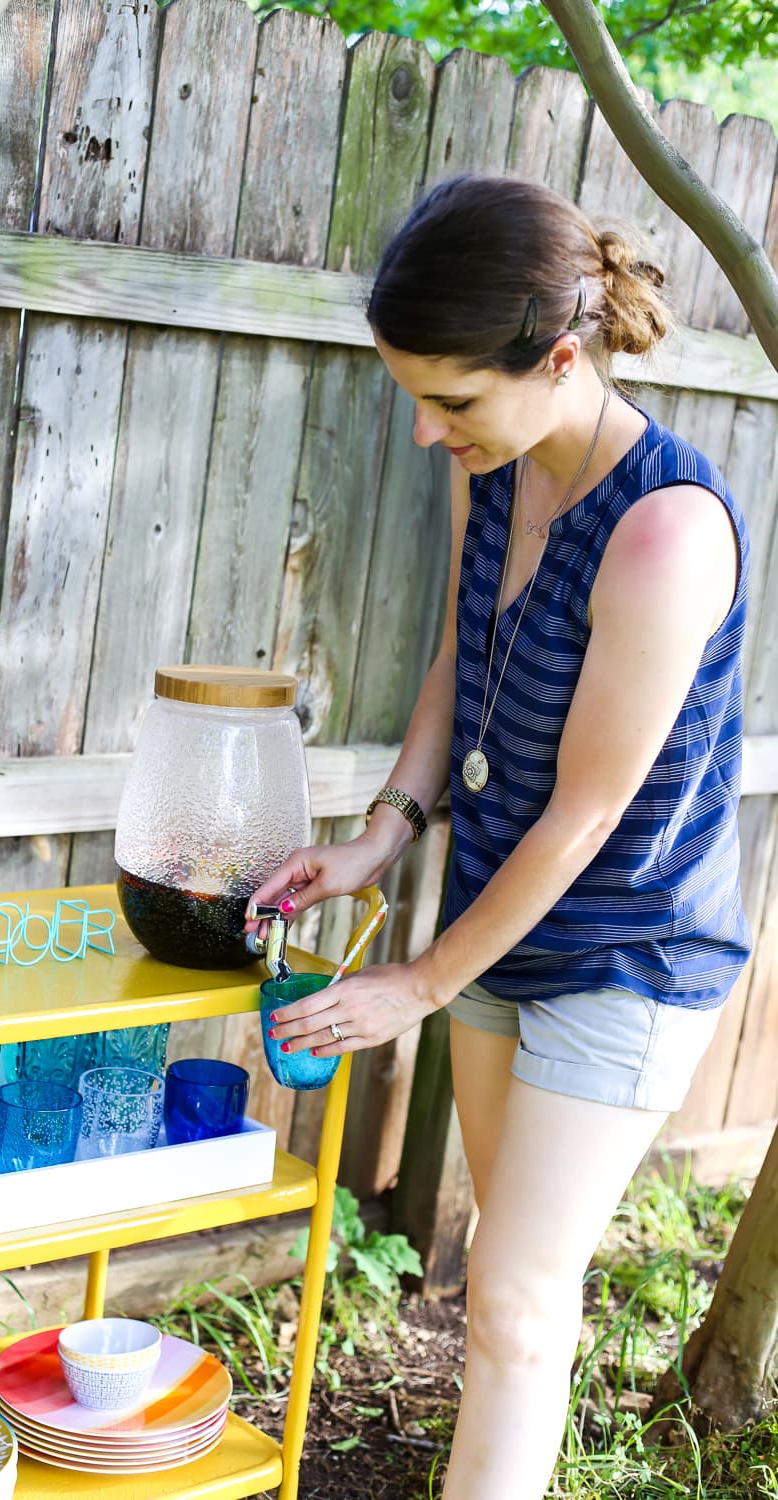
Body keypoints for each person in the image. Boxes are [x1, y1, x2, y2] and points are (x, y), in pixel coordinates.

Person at [246, 174, 751, 1500]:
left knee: (518, 1303)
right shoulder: (501, 466)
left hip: (626, 957)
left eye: (452, 400)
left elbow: (586, 811)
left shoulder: (664, 536)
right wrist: (382, 838)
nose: (425, 432)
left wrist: (415, 981)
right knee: (503, 1293)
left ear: (565, 358)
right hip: (495, 926)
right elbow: (454, 667)